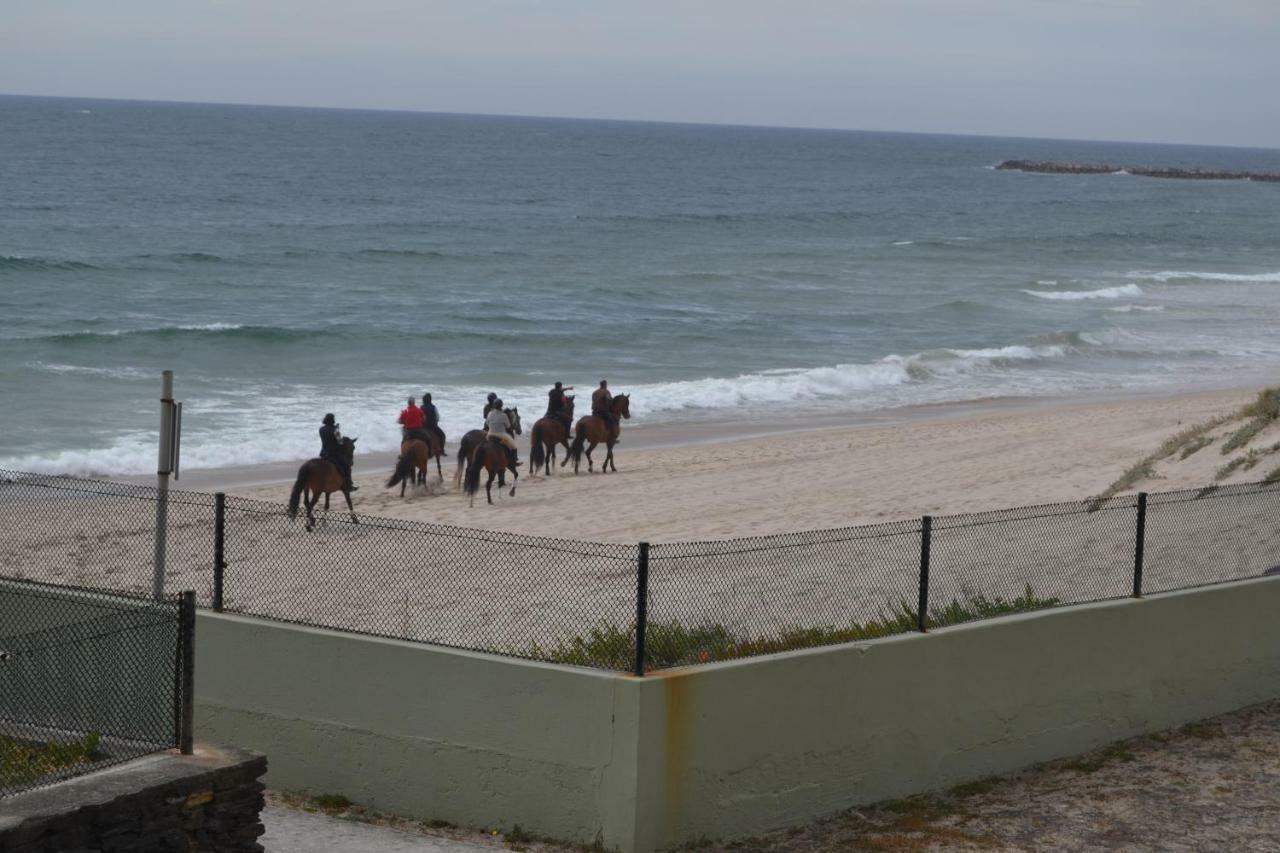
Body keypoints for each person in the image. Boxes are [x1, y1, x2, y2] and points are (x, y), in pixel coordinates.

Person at [319, 413, 357, 491]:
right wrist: (337, 429)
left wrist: (335, 428)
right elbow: (340, 442)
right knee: (347, 467)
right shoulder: (335, 430)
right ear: (332, 420)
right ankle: (349, 485)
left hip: (323, 453)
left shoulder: (321, 429)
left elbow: (328, 436)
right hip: (334, 454)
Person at [484, 397, 519, 469]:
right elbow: (508, 426)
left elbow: (487, 423)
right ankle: (514, 461)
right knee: (514, 446)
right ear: (501, 406)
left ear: (494, 405)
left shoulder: (490, 413)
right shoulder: (504, 415)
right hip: (501, 436)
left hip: (489, 435)